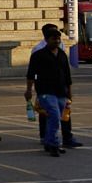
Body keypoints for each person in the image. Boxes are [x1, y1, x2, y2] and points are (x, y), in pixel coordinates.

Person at [25, 24, 74, 157]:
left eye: (58, 39)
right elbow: (31, 74)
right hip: (45, 91)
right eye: (54, 39)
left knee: (55, 117)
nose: (57, 41)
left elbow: (67, 74)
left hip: (61, 91)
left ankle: (48, 141)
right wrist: (30, 89)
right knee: (54, 116)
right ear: (46, 40)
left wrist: (69, 91)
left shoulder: (62, 54)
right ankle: (54, 144)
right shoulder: (38, 55)